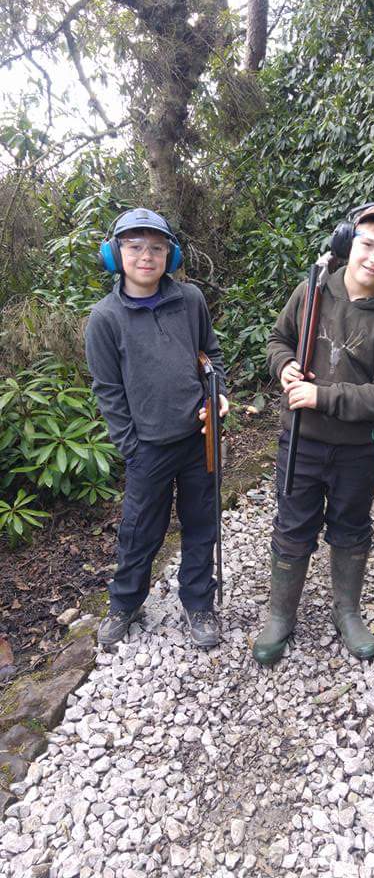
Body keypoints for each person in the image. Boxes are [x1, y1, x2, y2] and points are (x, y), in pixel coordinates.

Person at [252, 202, 374, 666]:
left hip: (357, 450)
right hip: (300, 440)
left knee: (350, 526)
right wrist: (284, 366)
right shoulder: (310, 292)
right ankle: (280, 616)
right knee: (293, 525)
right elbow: (277, 340)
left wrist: (322, 396)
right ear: (348, 242)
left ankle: (347, 611)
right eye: (367, 244)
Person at [85, 208, 228, 648]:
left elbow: (211, 355)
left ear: (171, 254)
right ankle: (125, 603)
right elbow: (108, 390)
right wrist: (131, 446)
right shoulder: (104, 318)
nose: (146, 256)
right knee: (139, 529)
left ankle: (199, 601)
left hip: (198, 441)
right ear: (115, 254)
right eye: (135, 246)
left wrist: (217, 396)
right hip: (146, 447)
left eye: (157, 247)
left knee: (202, 523)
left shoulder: (191, 300)